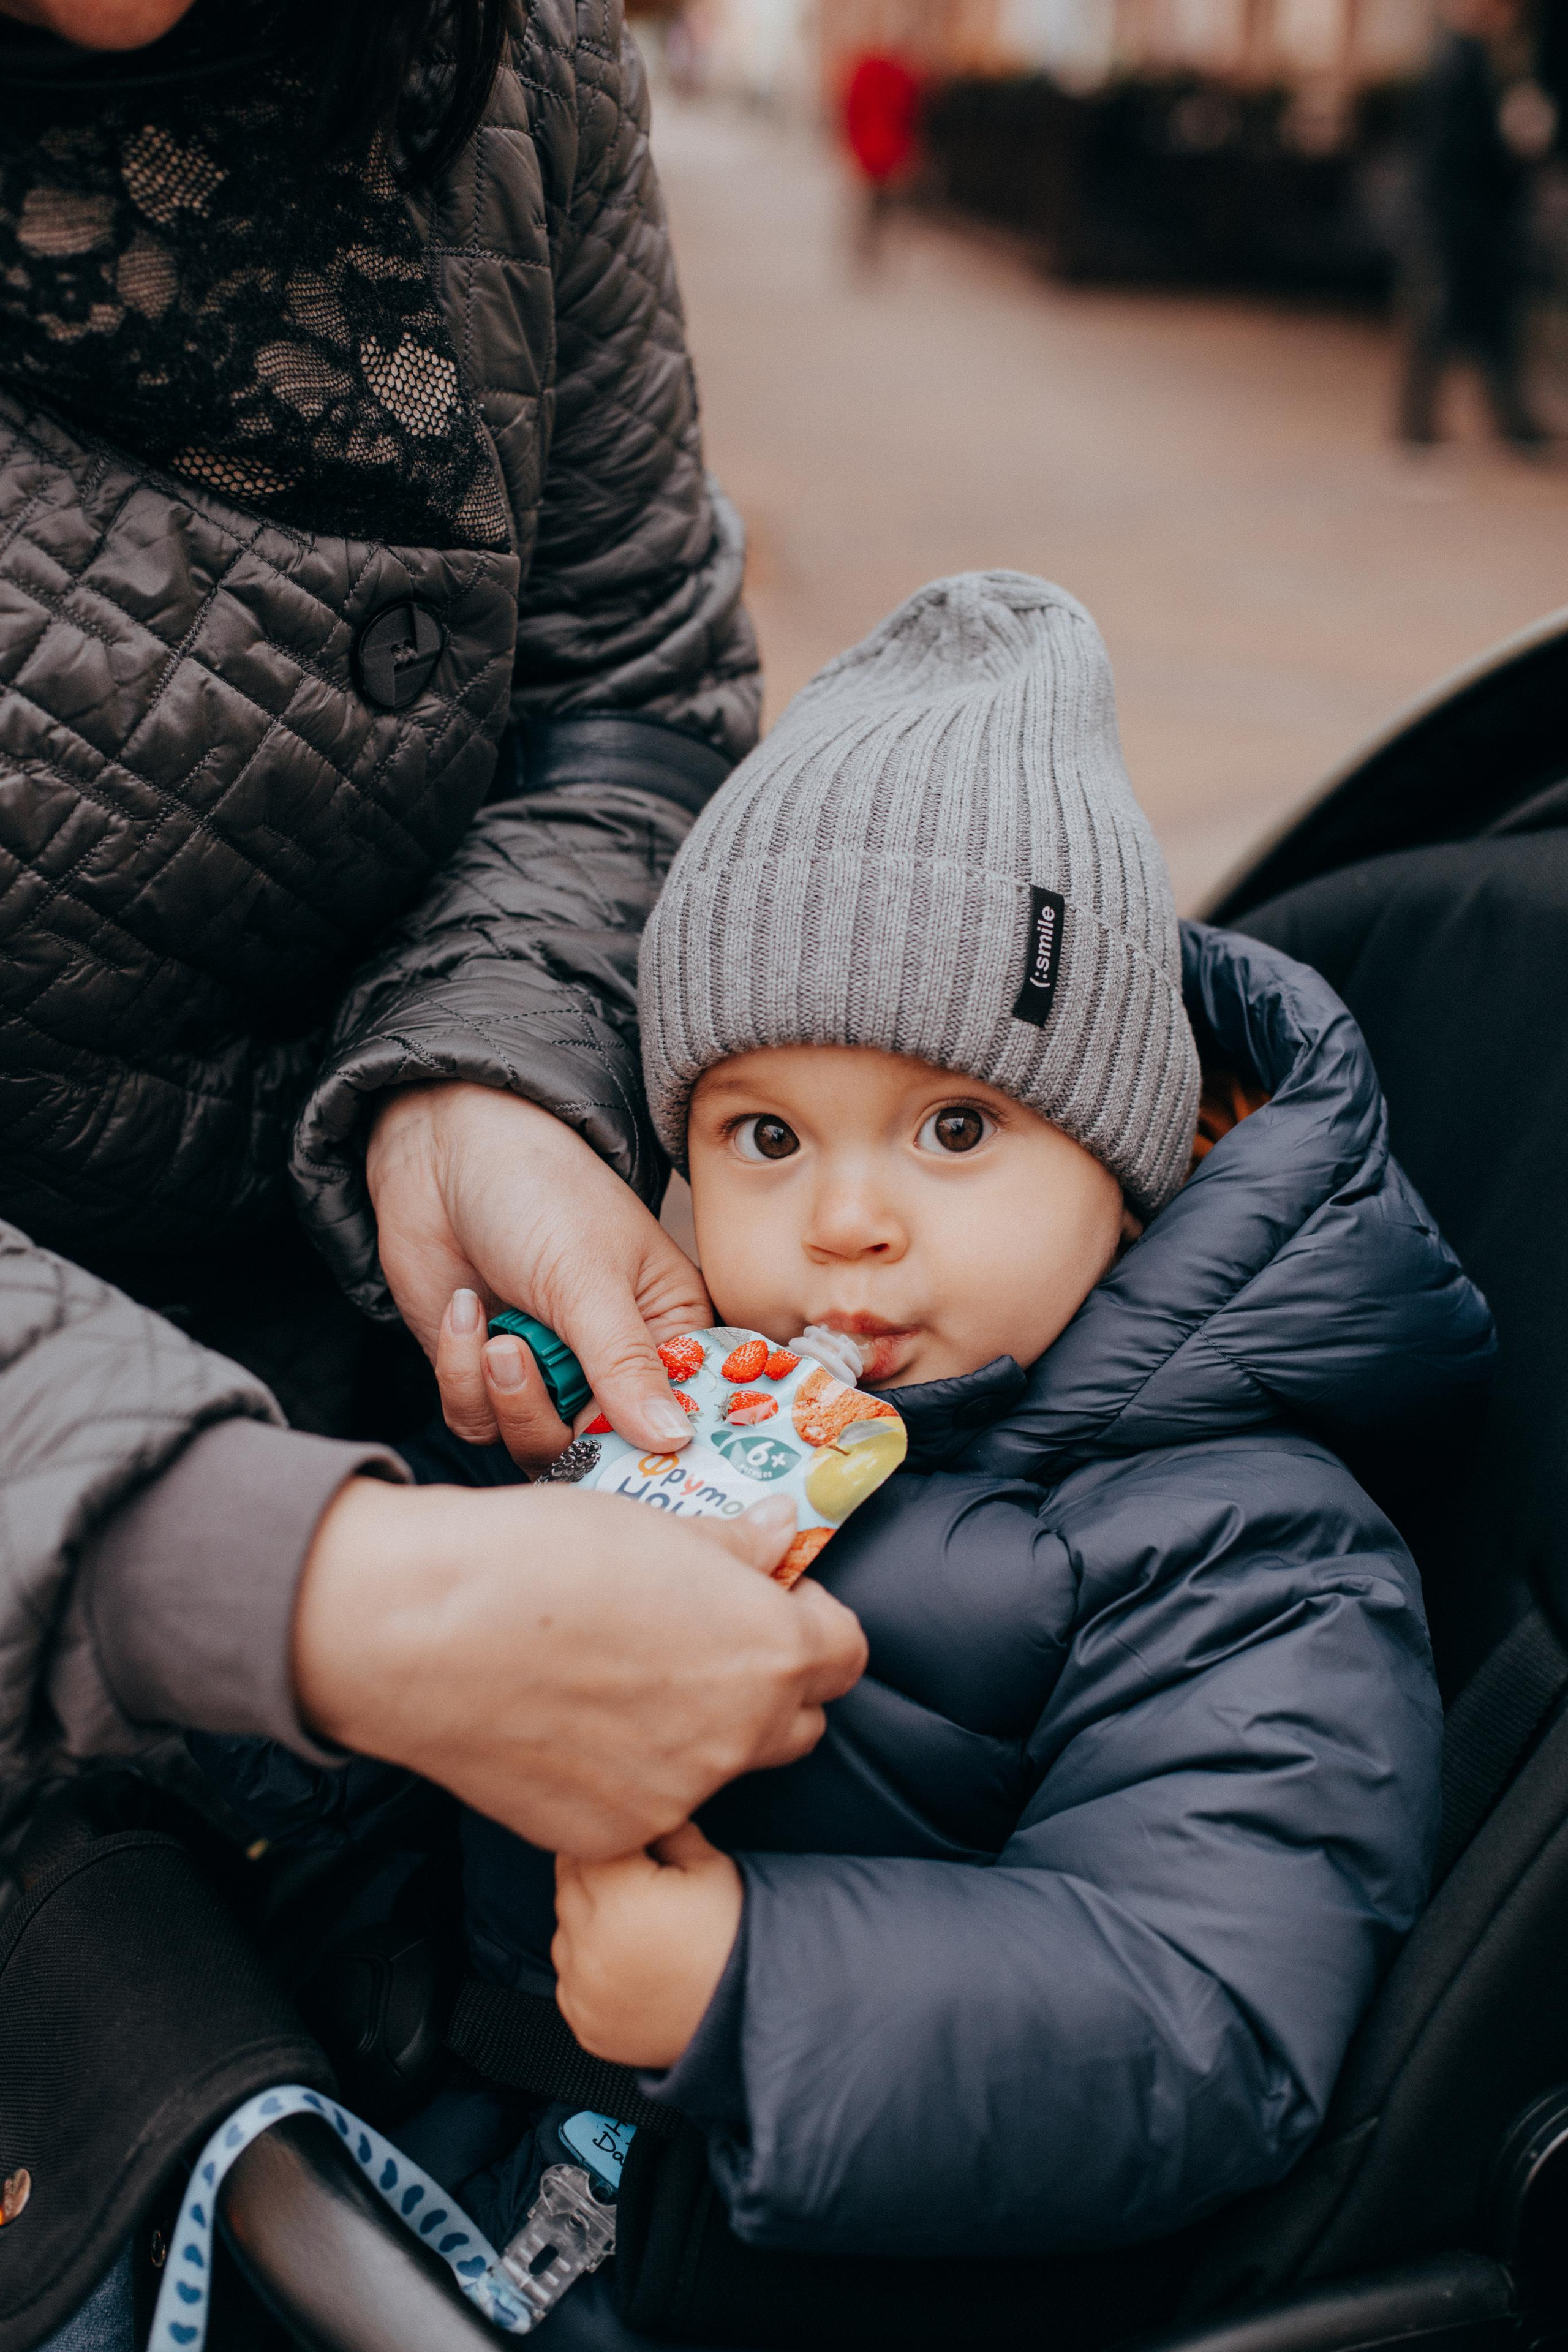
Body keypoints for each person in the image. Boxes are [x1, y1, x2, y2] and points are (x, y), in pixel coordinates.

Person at [205, 575, 1493, 2343]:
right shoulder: (649, 1410)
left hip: (775, 2265)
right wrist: (288, 1694)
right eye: (766, 1133)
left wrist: (754, 1985)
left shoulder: (1244, 1547)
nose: (850, 1221)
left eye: (957, 1128)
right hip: (449, 2160)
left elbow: (1208, 2013)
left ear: (1133, 1158)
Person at [0, 0, 865, 1894]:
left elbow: (626, 668)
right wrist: (286, 1583)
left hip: (420, 1404)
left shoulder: (503, 53)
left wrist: (479, 1068)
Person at [1397, 0, 1550, 446]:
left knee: (1491, 322)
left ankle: (1511, 422)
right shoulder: (1459, 59)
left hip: (1480, 214)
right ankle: (1418, 427)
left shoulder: (1488, 57)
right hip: (1458, 216)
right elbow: (1446, 151)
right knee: (1442, 320)